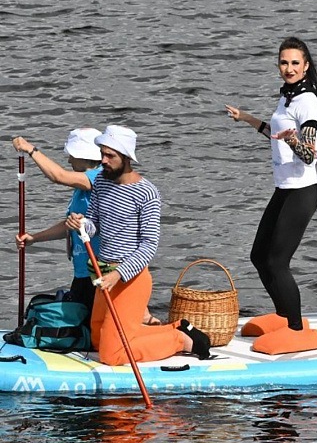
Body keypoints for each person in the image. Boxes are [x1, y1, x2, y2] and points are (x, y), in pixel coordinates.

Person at [64, 125, 211, 365]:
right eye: (102, 153)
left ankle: (179, 340)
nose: (103, 160)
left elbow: (149, 245)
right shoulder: (101, 181)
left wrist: (119, 274)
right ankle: (175, 327)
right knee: (98, 340)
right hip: (103, 273)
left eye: (110, 155)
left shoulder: (146, 193)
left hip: (130, 279)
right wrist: (81, 224)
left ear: (126, 157)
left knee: (111, 355)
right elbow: (94, 224)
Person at [225, 36, 317, 355]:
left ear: (306, 66)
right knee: (258, 256)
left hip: (302, 192)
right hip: (283, 189)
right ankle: (283, 316)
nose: (289, 68)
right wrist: (246, 118)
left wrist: (293, 140)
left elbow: (308, 155)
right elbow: (276, 133)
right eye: (284, 62)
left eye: (295, 63)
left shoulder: (308, 101)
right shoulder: (287, 97)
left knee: (277, 262)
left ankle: (296, 329)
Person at [12, 130, 160, 325]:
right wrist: (35, 238)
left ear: (83, 156)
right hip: (88, 270)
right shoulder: (95, 184)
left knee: (110, 333)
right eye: (103, 154)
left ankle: (171, 332)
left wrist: (31, 149)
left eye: (72, 155)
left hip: (111, 270)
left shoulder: (97, 178)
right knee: (91, 332)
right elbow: (82, 224)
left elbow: (58, 176)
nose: (68, 160)